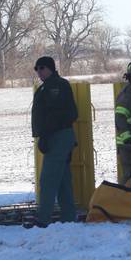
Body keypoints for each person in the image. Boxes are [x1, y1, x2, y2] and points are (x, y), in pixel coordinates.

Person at [31, 56, 78, 227]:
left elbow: (59, 114)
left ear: (50, 68)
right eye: (36, 69)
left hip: (57, 137)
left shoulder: (55, 86)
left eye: (41, 68)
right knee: (62, 180)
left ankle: (43, 219)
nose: (39, 72)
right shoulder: (48, 87)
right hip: (59, 137)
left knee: (48, 179)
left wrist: (45, 135)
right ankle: (69, 218)